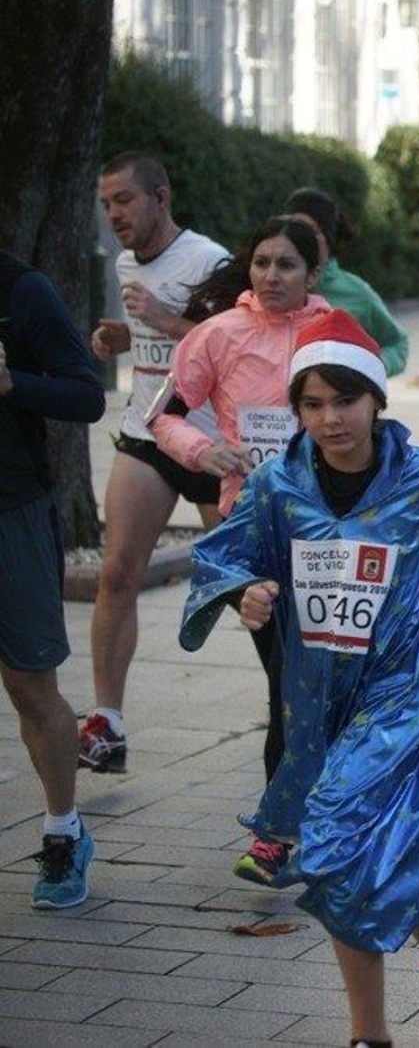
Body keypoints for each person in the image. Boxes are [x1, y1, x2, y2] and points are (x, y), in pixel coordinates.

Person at [180, 312, 419, 1047]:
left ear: (375, 400)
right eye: (313, 403)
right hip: (318, 691)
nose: (331, 418)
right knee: (371, 850)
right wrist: (245, 592)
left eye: (346, 399)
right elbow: (223, 554)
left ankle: (369, 1036)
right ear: (297, 409)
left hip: (408, 683)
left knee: (331, 840)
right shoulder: (275, 483)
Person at [151, 214, 330, 884]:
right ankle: (279, 832)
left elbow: (374, 413)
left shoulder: (334, 333)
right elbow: (161, 414)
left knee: (302, 682)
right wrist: (204, 449)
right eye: (262, 263)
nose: (272, 275)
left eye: (287, 264)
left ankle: (299, 820)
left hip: (327, 538)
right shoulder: (218, 334)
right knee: (288, 679)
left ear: (312, 273)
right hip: (252, 531)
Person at [81, 153, 230, 774]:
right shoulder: (122, 261)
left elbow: (230, 341)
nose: (113, 214)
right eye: (107, 202)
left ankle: (295, 711)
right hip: (147, 433)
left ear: (160, 198)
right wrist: (124, 334)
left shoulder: (209, 261)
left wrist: (165, 321)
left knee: (250, 585)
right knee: (116, 572)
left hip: (213, 443)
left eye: (124, 200)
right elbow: (158, 339)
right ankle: (107, 723)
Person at [0, 252, 107, 908]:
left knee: (30, 685)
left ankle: (63, 831)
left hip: (10, 508)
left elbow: (87, 394)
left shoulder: (21, 290)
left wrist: (13, 383)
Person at [283, 187, 409, 377]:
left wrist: (369, 369)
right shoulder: (269, 284)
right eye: (296, 229)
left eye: (313, 230)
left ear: (328, 238)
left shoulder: (357, 293)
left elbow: (397, 344)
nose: (303, 238)